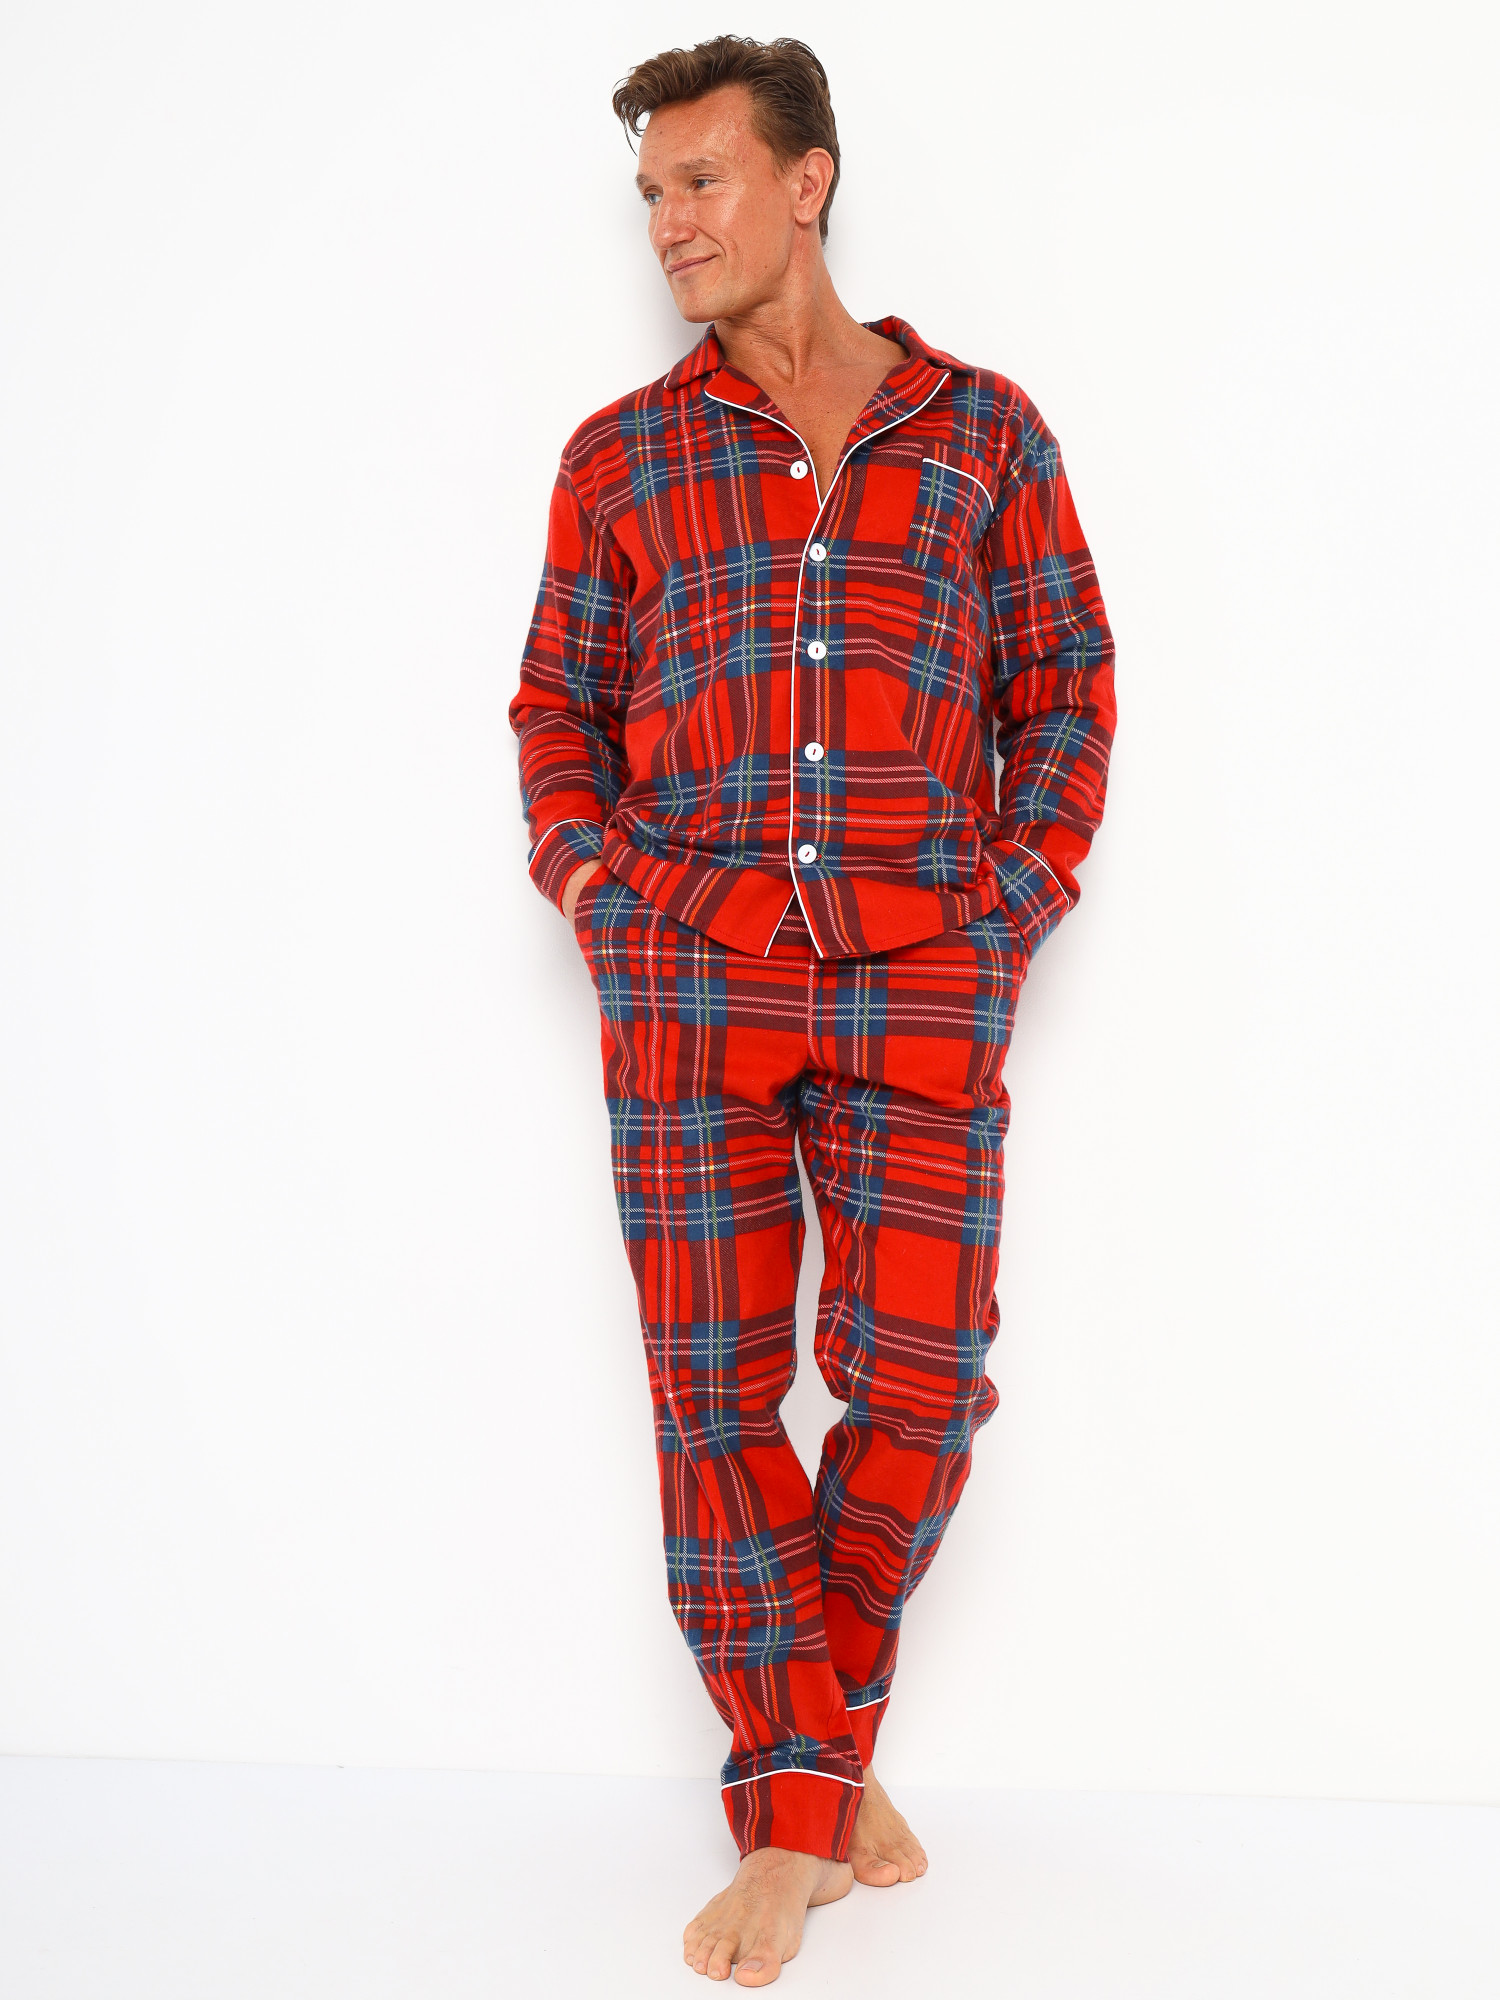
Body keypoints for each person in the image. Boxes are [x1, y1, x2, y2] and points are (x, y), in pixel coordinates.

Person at [507, 33, 1116, 1986]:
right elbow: (557, 711)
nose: (670, 222)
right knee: (713, 1395)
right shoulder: (620, 457)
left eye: (701, 180)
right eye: (650, 194)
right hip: (688, 968)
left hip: (920, 969)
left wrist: (1007, 913)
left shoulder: (985, 433)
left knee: (924, 1383)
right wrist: (596, 892)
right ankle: (800, 1803)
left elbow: (1066, 688)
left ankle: (804, 1758)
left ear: (805, 181)